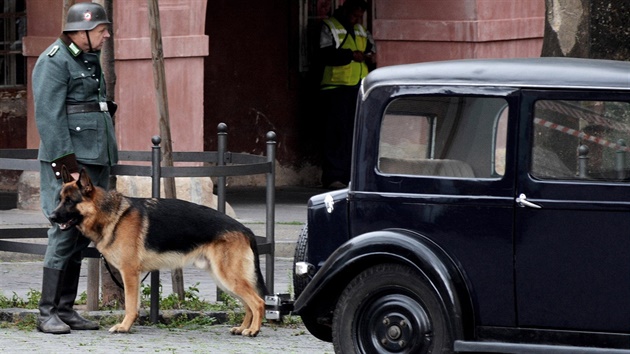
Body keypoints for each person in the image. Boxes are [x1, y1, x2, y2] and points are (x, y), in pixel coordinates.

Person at [32, 2, 118, 334]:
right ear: (79, 30)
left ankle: (66, 309)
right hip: (71, 165)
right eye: (101, 30)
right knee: (64, 231)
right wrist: (68, 169)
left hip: (93, 160)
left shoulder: (85, 59)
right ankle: (47, 311)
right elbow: (50, 119)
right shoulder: (54, 61)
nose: (106, 35)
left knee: (82, 235)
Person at [318, 0, 375, 189]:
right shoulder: (330, 26)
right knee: (335, 134)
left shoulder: (360, 29)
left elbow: (372, 50)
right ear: (344, 11)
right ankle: (333, 176)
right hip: (335, 87)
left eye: (359, 16)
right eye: (353, 15)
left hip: (359, 87)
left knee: (353, 133)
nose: (356, 19)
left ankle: (350, 176)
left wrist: (369, 56)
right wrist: (351, 55)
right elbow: (324, 54)